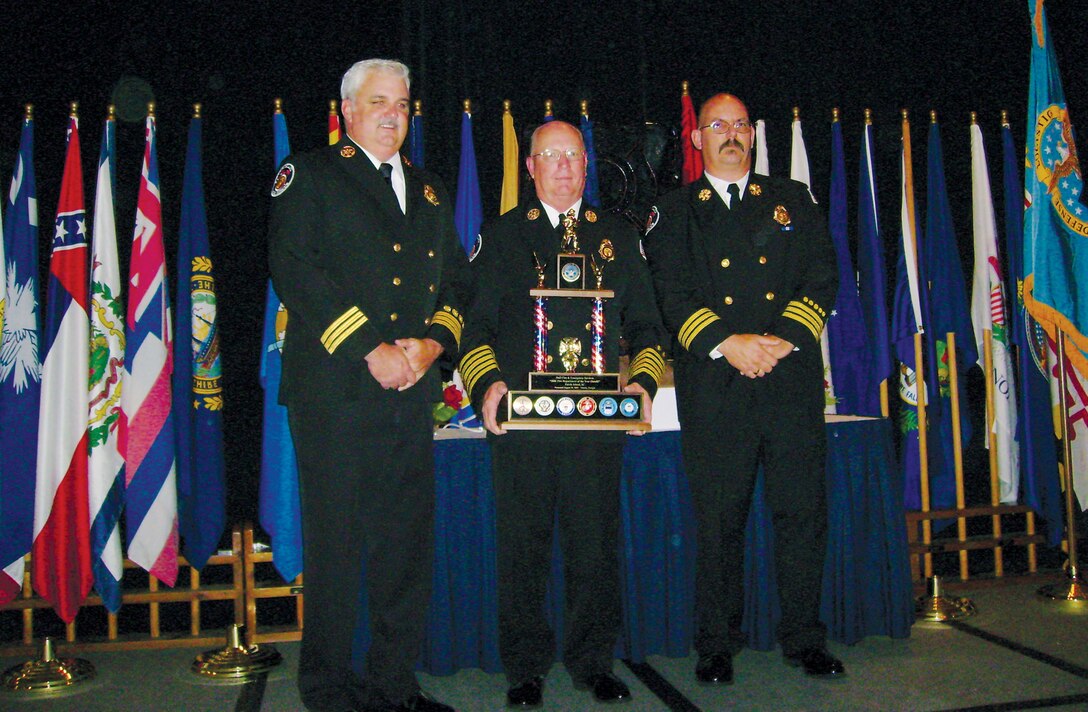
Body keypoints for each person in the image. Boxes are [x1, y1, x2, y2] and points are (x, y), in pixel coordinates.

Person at [268, 58, 466, 712]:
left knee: (404, 552)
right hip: (336, 396)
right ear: (347, 110)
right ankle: (329, 693)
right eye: (379, 102)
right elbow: (295, 269)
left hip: (409, 393)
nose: (393, 114)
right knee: (339, 552)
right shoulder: (310, 175)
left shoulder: (431, 191)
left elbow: (458, 286)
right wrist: (370, 348)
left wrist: (433, 344)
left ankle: (392, 688)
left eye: (403, 103)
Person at [458, 120, 667, 708]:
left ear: (586, 162)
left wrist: (645, 383)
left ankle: (592, 661)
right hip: (524, 426)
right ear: (530, 167)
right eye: (549, 156)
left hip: (595, 428)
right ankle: (525, 667)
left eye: (573, 155)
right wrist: (489, 386)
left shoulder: (619, 238)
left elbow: (649, 328)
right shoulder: (501, 237)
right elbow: (475, 330)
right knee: (522, 550)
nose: (563, 166)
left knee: (595, 549)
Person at [641, 93, 844, 683]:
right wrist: (731, 343)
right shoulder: (675, 210)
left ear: (752, 135)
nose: (729, 134)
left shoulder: (791, 200)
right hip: (717, 386)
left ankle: (806, 637)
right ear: (697, 138)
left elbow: (822, 275)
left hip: (788, 380)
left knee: (802, 515)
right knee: (719, 520)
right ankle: (716, 643)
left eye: (739, 124)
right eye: (716, 125)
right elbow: (669, 293)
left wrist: (778, 340)